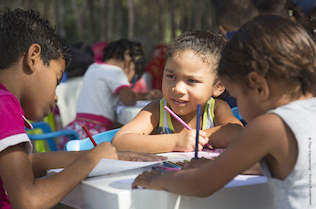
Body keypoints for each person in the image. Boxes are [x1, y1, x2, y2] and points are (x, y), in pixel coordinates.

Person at [0, 9, 165, 209]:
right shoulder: (1, 103)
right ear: (33, 57)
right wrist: (91, 159)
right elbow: (28, 200)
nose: (55, 96)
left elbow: (29, 162)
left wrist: (105, 155)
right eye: (57, 80)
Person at [132, 15, 316, 209]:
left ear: (258, 85)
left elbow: (200, 184)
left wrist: (158, 181)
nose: (241, 111)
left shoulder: (271, 125)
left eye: (237, 95)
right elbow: (287, 167)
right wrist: (217, 166)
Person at [112, 30, 244, 153]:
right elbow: (120, 141)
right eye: (171, 76)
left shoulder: (215, 108)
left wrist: (195, 137)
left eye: (191, 80)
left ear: (218, 86)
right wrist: (176, 141)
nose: (178, 89)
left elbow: (237, 133)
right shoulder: (158, 109)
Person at [65, 39, 161, 139]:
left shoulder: (93, 68)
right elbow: (129, 100)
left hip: (77, 129)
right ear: (128, 63)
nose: (130, 84)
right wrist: (143, 95)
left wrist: (145, 95)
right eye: (133, 79)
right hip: (95, 132)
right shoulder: (116, 72)